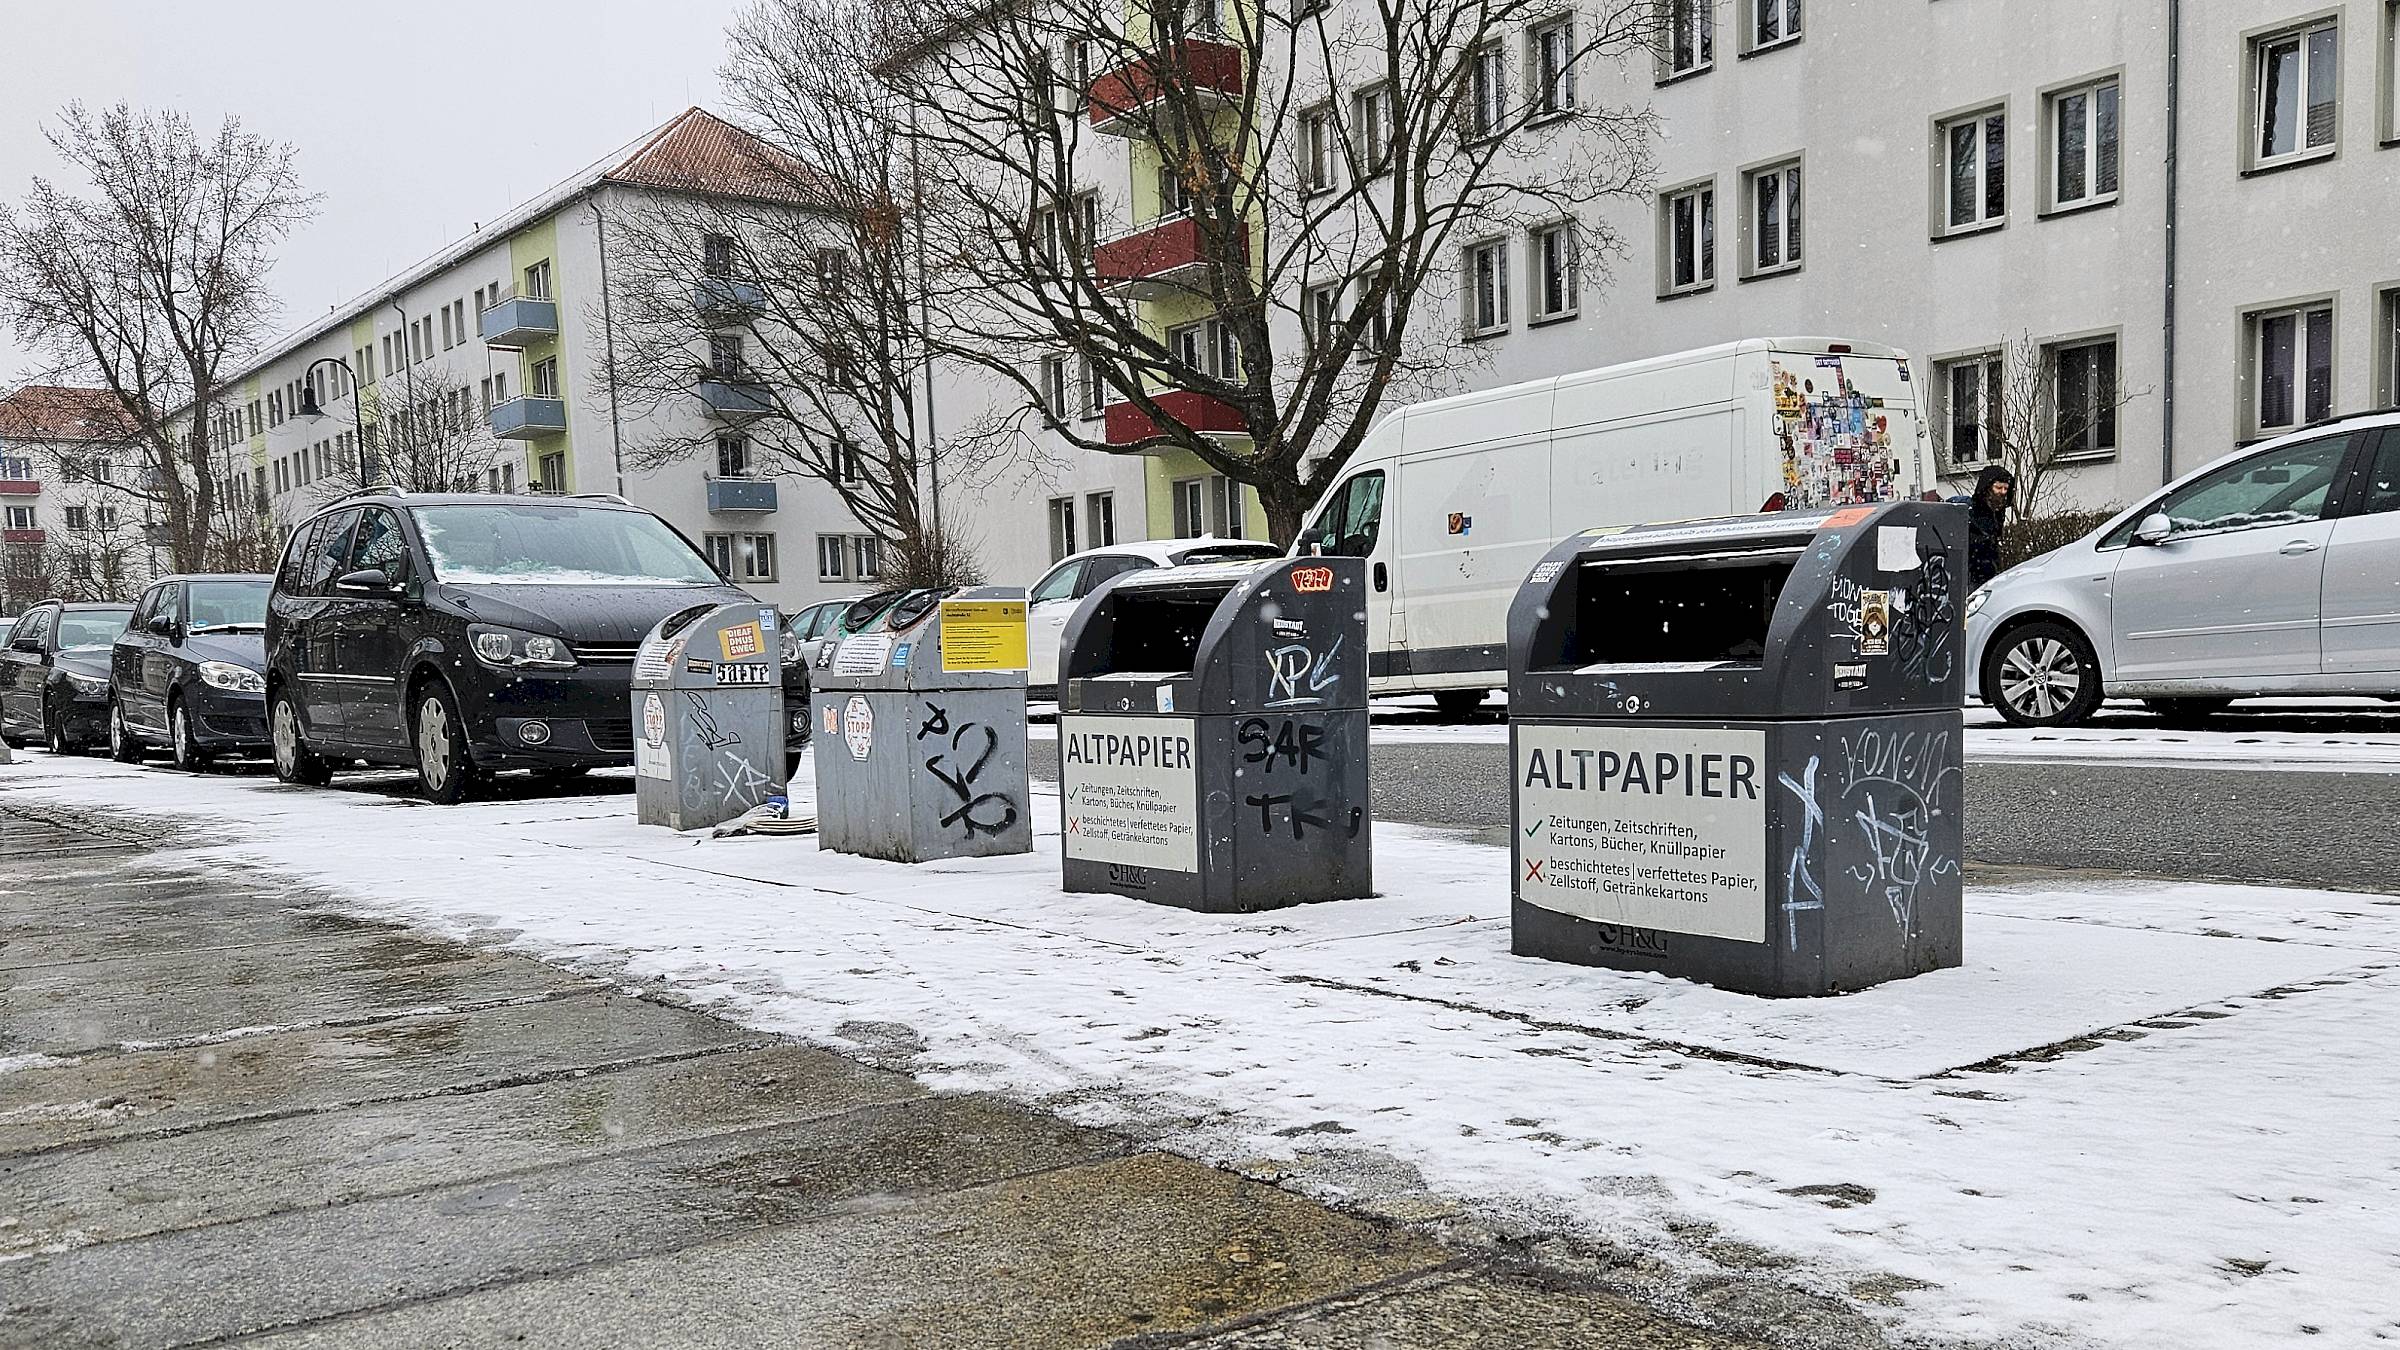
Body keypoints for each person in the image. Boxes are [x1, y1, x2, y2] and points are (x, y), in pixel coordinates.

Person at [1967, 465, 2017, 587]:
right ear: (1987, 488)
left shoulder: (1997, 512)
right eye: (1998, 487)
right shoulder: (1971, 510)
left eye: (2006, 488)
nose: (2002, 492)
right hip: (1971, 574)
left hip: (1988, 574)